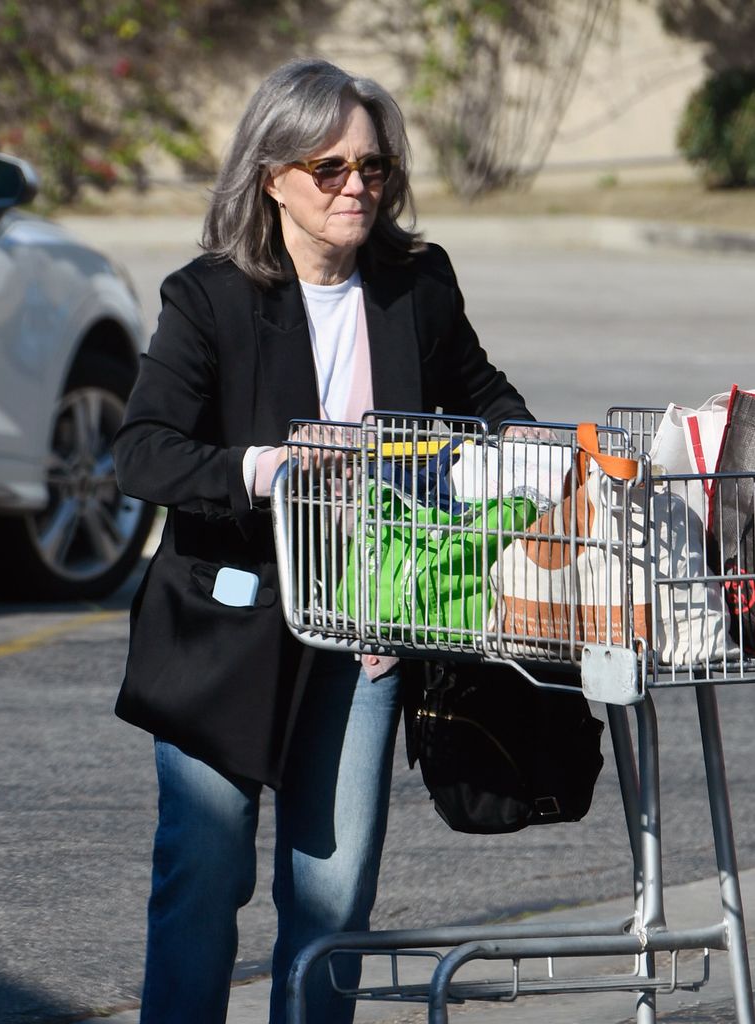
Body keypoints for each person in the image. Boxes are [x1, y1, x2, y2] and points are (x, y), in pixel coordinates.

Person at [113, 57, 535, 1024]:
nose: (357, 188)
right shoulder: (209, 296)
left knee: (335, 897)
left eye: (374, 168)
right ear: (271, 176)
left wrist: (523, 454)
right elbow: (142, 453)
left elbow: (482, 396)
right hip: (225, 634)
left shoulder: (414, 282)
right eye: (329, 168)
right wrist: (264, 468)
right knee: (205, 878)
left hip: (366, 627)